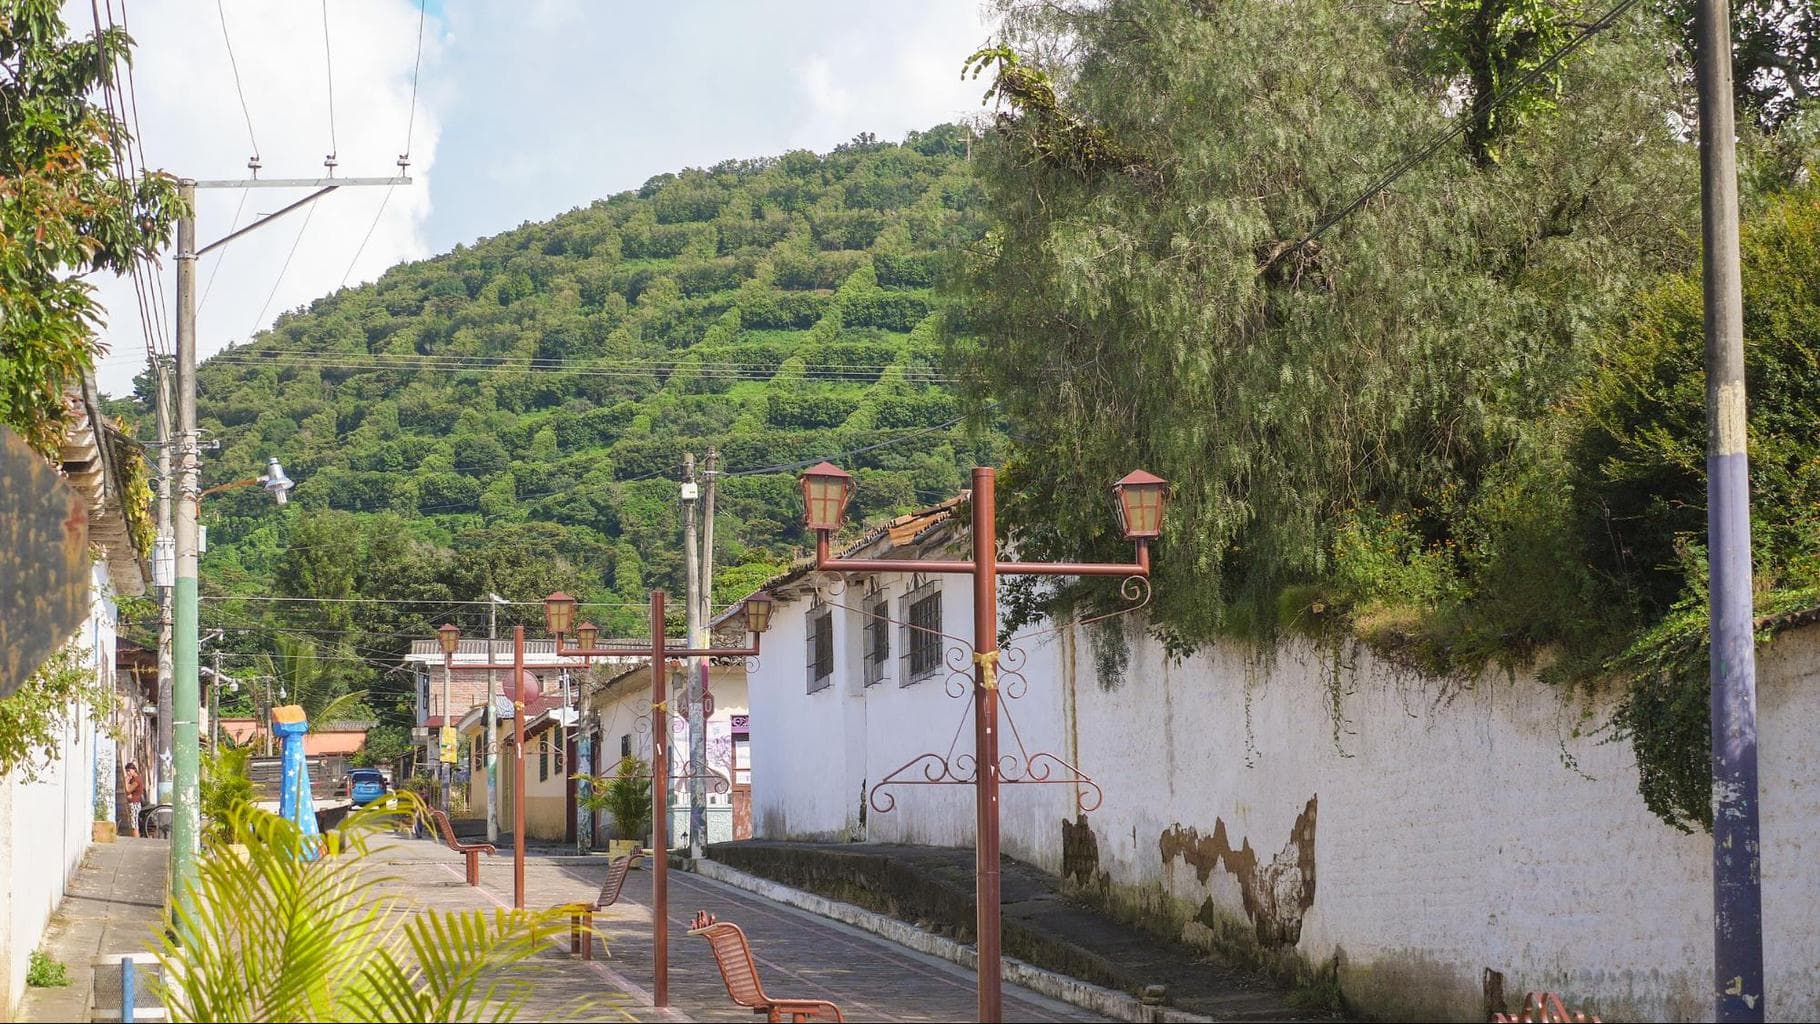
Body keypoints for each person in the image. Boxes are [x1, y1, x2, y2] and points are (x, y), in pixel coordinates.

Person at [123, 762, 144, 837]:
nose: (128, 773)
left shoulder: (136, 780)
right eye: (127, 771)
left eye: (129, 770)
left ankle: (136, 840)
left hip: (135, 803)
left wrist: (126, 781)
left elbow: (128, 790)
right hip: (133, 802)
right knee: (133, 823)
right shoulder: (133, 779)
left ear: (134, 769)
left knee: (134, 825)